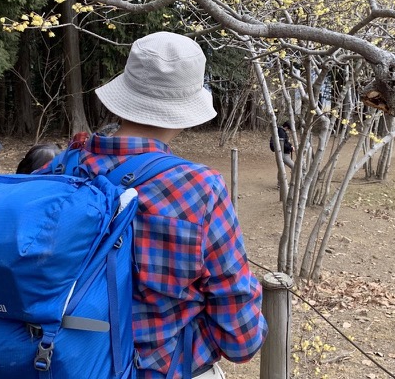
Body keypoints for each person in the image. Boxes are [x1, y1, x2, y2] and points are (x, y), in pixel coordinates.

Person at [81, 31, 267, 379]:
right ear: (186, 111)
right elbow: (241, 336)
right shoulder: (199, 189)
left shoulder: (60, 170)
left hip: (59, 362)